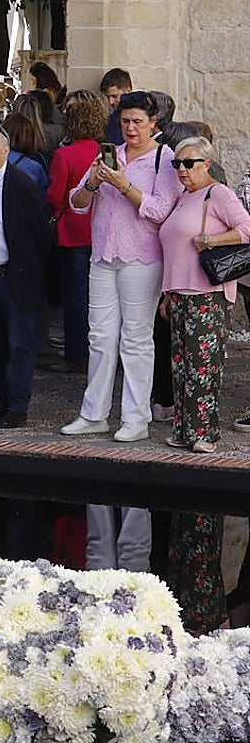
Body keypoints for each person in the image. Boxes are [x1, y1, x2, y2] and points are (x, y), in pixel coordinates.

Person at [62, 91, 181, 576]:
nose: (129, 128)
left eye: (136, 121)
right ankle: (93, 413)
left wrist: (125, 186)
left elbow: (161, 211)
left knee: (137, 338)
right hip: (103, 254)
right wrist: (92, 181)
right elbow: (76, 205)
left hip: (141, 256)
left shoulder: (165, 159)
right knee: (98, 336)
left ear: (153, 123)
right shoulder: (105, 154)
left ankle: (134, 416)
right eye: (124, 121)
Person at [157, 137, 250, 633]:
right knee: (181, 366)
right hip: (180, 293)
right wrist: (168, 291)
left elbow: (246, 230)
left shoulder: (219, 195)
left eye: (188, 163)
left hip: (210, 293)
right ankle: (185, 426)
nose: (181, 170)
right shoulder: (181, 196)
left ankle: (204, 432)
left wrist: (211, 242)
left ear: (207, 162)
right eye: (176, 164)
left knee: (204, 366)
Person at [0, 124, 52, 428]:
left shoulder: (20, 184)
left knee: (19, 343)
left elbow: (40, 234)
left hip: (14, 277)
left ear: (5, 151)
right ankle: (2, 400)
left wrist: (29, 273)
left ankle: (18, 405)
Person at [46, 90, 108, 375]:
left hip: (73, 233)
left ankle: (78, 355)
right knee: (103, 300)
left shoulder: (64, 154)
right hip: (103, 234)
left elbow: (56, 196)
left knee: (76, 299)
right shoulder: (107, 152)